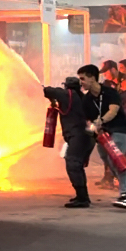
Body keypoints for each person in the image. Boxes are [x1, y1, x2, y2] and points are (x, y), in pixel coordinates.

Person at [78, 64, 126, 209]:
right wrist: (92, 128)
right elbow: (89, 120)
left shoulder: (110, 93)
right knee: (112, 164)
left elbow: (113, 110)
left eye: (83, 79)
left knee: (116, 160)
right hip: (103, 135)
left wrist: (100, 121)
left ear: (92, 78)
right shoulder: (87, 100)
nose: (81, 82)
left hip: (119, 131)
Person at [43, 77, 95, 208]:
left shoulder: (68, 95)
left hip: (78, 136)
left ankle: (83, 198)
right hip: (86, 136)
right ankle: (82, 195)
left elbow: (48, 91)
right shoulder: (81, 97)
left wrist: (43, 89)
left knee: (72, 163)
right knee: (76, 165)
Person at [93, 60, 121, 188]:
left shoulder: (123, 83)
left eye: (106, 72)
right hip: (108, 122)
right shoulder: (106, 85)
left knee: (118, 152)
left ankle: (120, 178)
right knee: (105, 150)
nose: (105, 75)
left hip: (121, 123)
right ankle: (108, 177)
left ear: (113, 70)